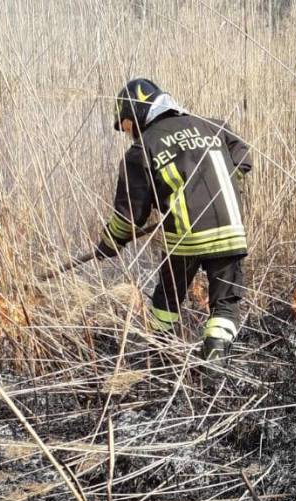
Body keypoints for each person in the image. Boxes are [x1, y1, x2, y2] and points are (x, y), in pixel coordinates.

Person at [97, 78, 252, 361]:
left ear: (138, 114)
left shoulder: (142, 149)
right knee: (225, 305)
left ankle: (159, 356)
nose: (127, 132)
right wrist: (225, 185)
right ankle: (215, 361)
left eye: (126, 124)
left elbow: (129, 216)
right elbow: (244, 158)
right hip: (229, 230)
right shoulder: (213, 126)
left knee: (166, 300)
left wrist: (108, 244)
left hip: (184, 238)